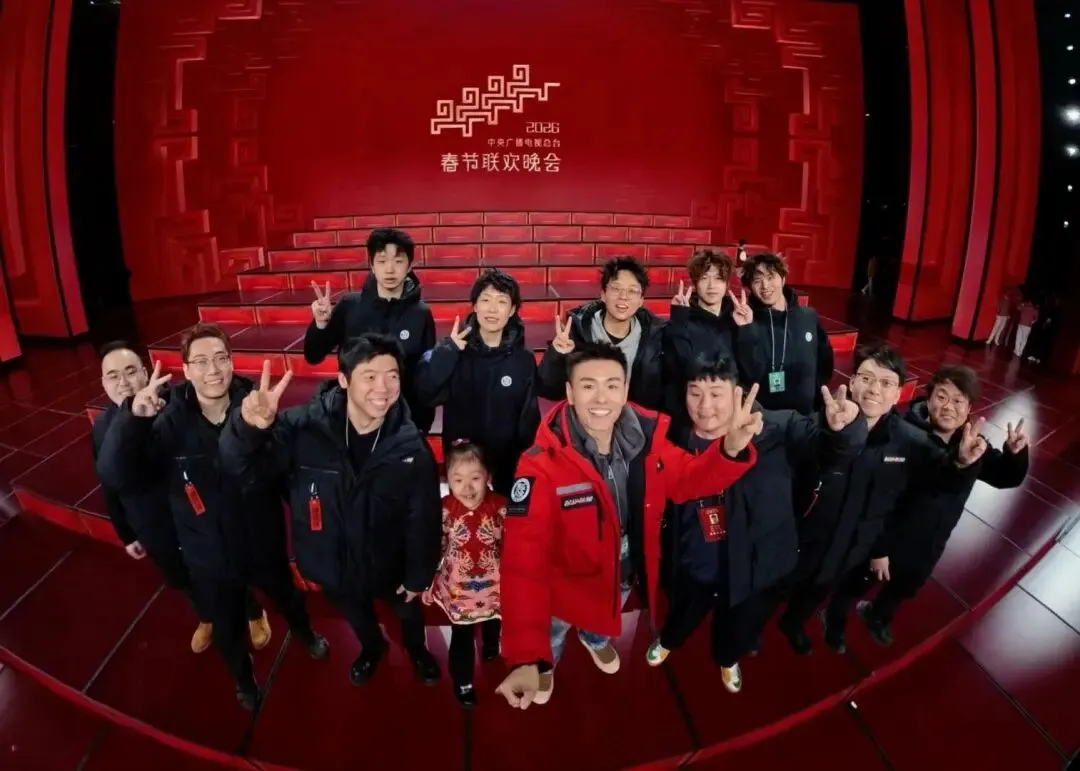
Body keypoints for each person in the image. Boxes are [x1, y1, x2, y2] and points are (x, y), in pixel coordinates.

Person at [494, 343, 761, 710]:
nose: (601, 398)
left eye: (611, 385)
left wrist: (729, 450)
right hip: (565, 584)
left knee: (606, 616)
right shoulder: (540, 465)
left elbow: (689, 479)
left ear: (625, 390)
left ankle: (595, 639)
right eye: (588, 386)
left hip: (621, 569)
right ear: (569, 393)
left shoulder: (647, 440)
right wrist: (526, 656)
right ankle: (546, 664)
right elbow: (523, 563)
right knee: (555, 630)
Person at [96, 323, 328, 709]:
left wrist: (260, 431)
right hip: (207, 550)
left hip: (261, 538)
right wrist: (134, 421)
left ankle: (306, 635)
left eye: (221, 359)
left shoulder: (257, 403)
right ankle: (244, 681)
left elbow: (280, 471)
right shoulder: (165, 417)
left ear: (232, 363)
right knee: (226, 627)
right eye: (201, 362)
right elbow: (116, 475)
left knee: (288, 599)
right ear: (186, 370)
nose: (213, 370)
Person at [219, 334, 443, 687]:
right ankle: (372, 648)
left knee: (407, 613)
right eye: (370, 376)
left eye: (392, 376)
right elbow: (243, 471)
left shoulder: (411, 447)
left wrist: (418, 575)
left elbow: (424, 520)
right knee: (357, 614)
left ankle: (417, 650)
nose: (383, 388)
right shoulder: (301, 428)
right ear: (344, 380)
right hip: (332, 563)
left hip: (390, 565)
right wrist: (248, 430)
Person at [646, 355, 866, 693]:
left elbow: (826, 448)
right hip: (694, 562)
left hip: (752, 568)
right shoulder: (673, 434)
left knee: (736, 628)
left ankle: (727, 659)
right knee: (681, 614)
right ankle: (668, 641)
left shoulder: (776, 428)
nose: (705, 406)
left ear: (738, 392)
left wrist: (844, 430)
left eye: (716, 394)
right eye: (695, 393)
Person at [773, 344, 988, 655]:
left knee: (817, 592)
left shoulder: (910, 442)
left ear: (898, 393)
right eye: (866, 378)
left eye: (886, 383)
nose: (874, 389)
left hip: (849, 547)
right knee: (772, 591)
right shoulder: (821, 421)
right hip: (800, 538)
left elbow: (940, 481)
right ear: (852, 381)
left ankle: (792, 624)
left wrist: (961, 463)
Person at [854, 365, 1029, 644]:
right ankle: (837, 615)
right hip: (890, 535)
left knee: (906, 584)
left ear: (969, 408)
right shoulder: (903, 436)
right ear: (929, 398)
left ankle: (878, 616)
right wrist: (879, 549)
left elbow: (1006, 477)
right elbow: (877, 499)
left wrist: (1015, 454)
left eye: (959, 401)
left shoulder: (972, 444)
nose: (949, 407)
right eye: (942, 397)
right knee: (859, 578)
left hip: (931, 540)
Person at [94, 341, 216, 653]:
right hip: (151, 523)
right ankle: (206, 617)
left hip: (195, 513)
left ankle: (251, 611)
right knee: (180, 576)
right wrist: (126, 533)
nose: (123, 382)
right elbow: (109, 484)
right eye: (113, 376)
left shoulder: (174, 405)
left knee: (221, 567)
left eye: (131, 371)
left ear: (145, 373)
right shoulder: (103, 427)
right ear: (103, 383)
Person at [414, 269, 540, 495]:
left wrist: (524, 463)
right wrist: (447, 353)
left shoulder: (523, 359)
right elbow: (425, 393)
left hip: (507, 465)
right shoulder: (454, 350)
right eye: (486, 300)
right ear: (474, 305)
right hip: (464, 462)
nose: (492, 309)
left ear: (512, 310)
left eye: (501, 302)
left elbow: (528, 419)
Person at [303, 228, 436, 432]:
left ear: (409, 266)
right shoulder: (349, 305)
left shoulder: (421, 313)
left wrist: (419, 427)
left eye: (398, 261)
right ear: (372, 265)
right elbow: (313, 356)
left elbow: (426, 375)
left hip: (402, 421)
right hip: (353, 417)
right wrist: (321, 323)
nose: (390, 269)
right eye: (382, 261)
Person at [422, 440, 505, 708]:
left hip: (496, 584)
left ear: (488, 476)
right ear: (447, 480)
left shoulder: (501, 506)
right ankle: (463, 679)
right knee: (461, 634)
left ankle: (491, 646)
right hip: (459, 588)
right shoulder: (445, 509)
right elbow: (435, 546)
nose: (467, 488)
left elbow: (515, 544)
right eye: (458, 480)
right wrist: (427, 580)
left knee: (495, 620)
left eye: (475, 478)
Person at [537, 256, 667, 411]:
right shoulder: (578, 331)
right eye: (616, 288)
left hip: (635, 421)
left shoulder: (655, 336)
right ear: (603, 294)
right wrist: (558, 354)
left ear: (640, 301)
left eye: (632, 291)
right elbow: (548, 389)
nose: (623, 297)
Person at [664, 249, 765, 411]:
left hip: (735, 405)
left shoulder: (738, 319)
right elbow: (679, 371)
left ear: (726, 284)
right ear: (695, 283)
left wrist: (746, 329)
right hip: (698, 407)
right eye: (704, 278)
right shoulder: (682, 321)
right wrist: (678, 322)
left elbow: (754, 374)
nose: (711, 286)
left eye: (718, 278)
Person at [741, 253, 834, 415]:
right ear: (750, 287)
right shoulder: (747, 323)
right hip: (765, 418)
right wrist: (746, 329)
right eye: (757, 281)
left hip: (806, 415)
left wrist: (815, 399)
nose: (765, 285)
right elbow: (747, 373)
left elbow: (825, 362)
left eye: (771, 277)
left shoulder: (809, 316)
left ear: (783, 279)